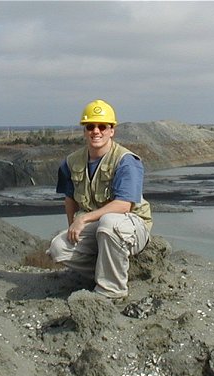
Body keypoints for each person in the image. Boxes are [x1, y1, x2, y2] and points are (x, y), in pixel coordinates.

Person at [47, 99, 152, 300]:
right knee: (58, 248)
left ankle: (111, 292)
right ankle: (106, 273)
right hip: (98, 228)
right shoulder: (71, 163)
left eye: (102, 126)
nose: (96, 131)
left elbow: (124, 205)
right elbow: (70, 199)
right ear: (84, 131)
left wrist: (83, 219)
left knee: (109, 223)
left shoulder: (126, 161)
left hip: (131, 227)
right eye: (90, 127)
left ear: (112, 130)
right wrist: (73, 227)